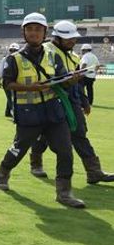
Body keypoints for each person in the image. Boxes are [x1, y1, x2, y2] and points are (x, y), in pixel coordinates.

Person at [0, 13, 85, 208]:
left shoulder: (53, 56)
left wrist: (72, 79)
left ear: (45, 33)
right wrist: (30, 88)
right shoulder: (14, 59)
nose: (34, 33)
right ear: (24, 32)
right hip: (28, 113)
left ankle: (64, 193)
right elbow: (6, 83)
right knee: (19, 149)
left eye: (38, 29)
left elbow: (62, 81)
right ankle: (3, 171)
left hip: (53, 112)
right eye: (30, 29)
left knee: (65, 151)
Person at [28, 21, 114, 185]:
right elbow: (55, 77)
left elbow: (77, 82)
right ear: (57, 38)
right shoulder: (46, 51)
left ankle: (94, 171)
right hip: (51, 100)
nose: (72, 41)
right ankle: (36, 163)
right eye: (68, 39)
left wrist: (84, 101)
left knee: (80, 134)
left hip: (71, 101)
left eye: (73, 38)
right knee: (46, 134)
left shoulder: (74, 56)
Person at [0, 44, 19, 118]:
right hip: (7, 81)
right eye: (11, 50)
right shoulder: (5, 59)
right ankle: (14, 113)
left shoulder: (19, 59)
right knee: (10, 98)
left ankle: (7, 112)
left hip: (15, 81)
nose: (12, 52)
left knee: (10, 97)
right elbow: (1, 70)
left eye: (14, 50)